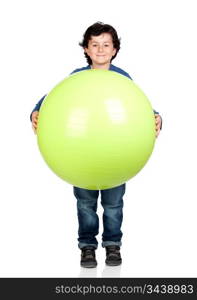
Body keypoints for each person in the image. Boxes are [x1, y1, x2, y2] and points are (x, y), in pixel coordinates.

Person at [30, 22, 162, 268]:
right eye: (95, 45)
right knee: (85, 204)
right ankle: (87, 247)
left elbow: (139, 107)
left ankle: (113, 246)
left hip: (117, 158)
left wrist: (157, 118)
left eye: (106, 45)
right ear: (86, 49)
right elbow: (50, 100)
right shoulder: (76, 77)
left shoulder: (123, 79)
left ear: (114, 50)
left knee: (114, 205)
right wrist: (35, 113)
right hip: (80, 160)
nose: (100, 50)